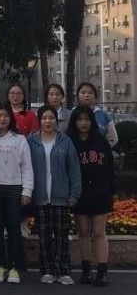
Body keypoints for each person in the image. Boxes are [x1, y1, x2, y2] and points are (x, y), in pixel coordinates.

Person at [0, 102, 33, 284]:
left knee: (14, 230)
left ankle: (14, 266)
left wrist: (27, 191)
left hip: (14, 190)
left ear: (11, 118)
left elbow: (27, 167)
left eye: (6, 116)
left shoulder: (19, 139)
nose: (2, 119)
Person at [28, 105, 81, 285]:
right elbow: (26, 168)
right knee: (44, 237)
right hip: (40, 196)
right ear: (39, 120)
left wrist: (74, 194)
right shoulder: (31, 141)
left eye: (51, 118)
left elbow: (74, 169)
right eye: (44, 118)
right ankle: (48, 271)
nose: (48, 121)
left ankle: (63, 271)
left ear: (56, 121)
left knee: (61, 237)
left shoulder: (65, 141)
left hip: (61, 197)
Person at [67, 105, 114, 287]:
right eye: (80, 119)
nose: (83, 123)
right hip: (80, 193)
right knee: (83, 232)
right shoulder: (70, 142)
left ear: (92, 122)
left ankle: (102, 272)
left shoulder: (101, 142)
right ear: (75, 122)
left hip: (100, 192)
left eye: (87, 119)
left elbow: (110, 169)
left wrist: (111, 191)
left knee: (99, 232)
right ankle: (86, 271)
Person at [76, 82, 118, 147]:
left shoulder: (104, 115)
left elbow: (113, 139)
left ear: (95, 96)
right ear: (78, 95)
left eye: (90, 93)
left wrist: (102, 149)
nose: (86, 95)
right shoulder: (71, 114)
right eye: (83, 93)